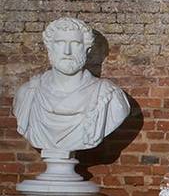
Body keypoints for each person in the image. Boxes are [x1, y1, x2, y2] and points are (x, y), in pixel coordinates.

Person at [13, 17, 129, 153]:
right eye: (60, 43)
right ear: (49, 47)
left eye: (75, 43)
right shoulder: (27, 93)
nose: (67, 51)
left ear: (87, 49)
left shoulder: (109, 96)